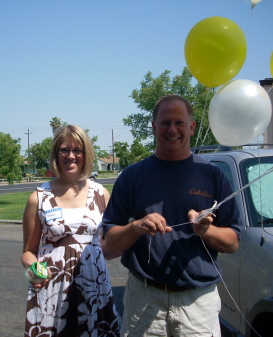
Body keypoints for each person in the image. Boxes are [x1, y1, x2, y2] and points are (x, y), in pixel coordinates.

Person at [101, 94, 242, 337]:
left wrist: (206, 230)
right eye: (165, 123)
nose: (172, 129)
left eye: (179, 122)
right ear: (154, 127)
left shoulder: (212, 175)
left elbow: (232, 243)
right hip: (144, 300)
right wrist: (137, 228)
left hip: (197, 303)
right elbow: (110, 242)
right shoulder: (132, 177)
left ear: (192, 126)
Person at [21, 124, 120, 337]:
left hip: (95, 288)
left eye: (77, 150)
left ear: (86, 154)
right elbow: (28, 252)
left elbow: (109, 245)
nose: (71, 156)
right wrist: (34, 270)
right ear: (56, 154)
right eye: (64, 150)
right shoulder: (38, 198)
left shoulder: (101, 193)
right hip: (51, 290)